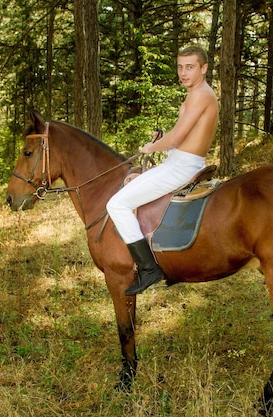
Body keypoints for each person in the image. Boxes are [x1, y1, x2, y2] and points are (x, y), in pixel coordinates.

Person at [106, 45, 219, 296]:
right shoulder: (197, 94)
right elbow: (181, 134)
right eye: (180, 67)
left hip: (182, 165)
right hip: (179, 161)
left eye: (190, 67)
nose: (183, 72)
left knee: (116, 204)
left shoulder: (200, 95)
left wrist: (151, 147)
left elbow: (177, 138)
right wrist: (161, 139)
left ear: (204, 68)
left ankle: (148, 267)